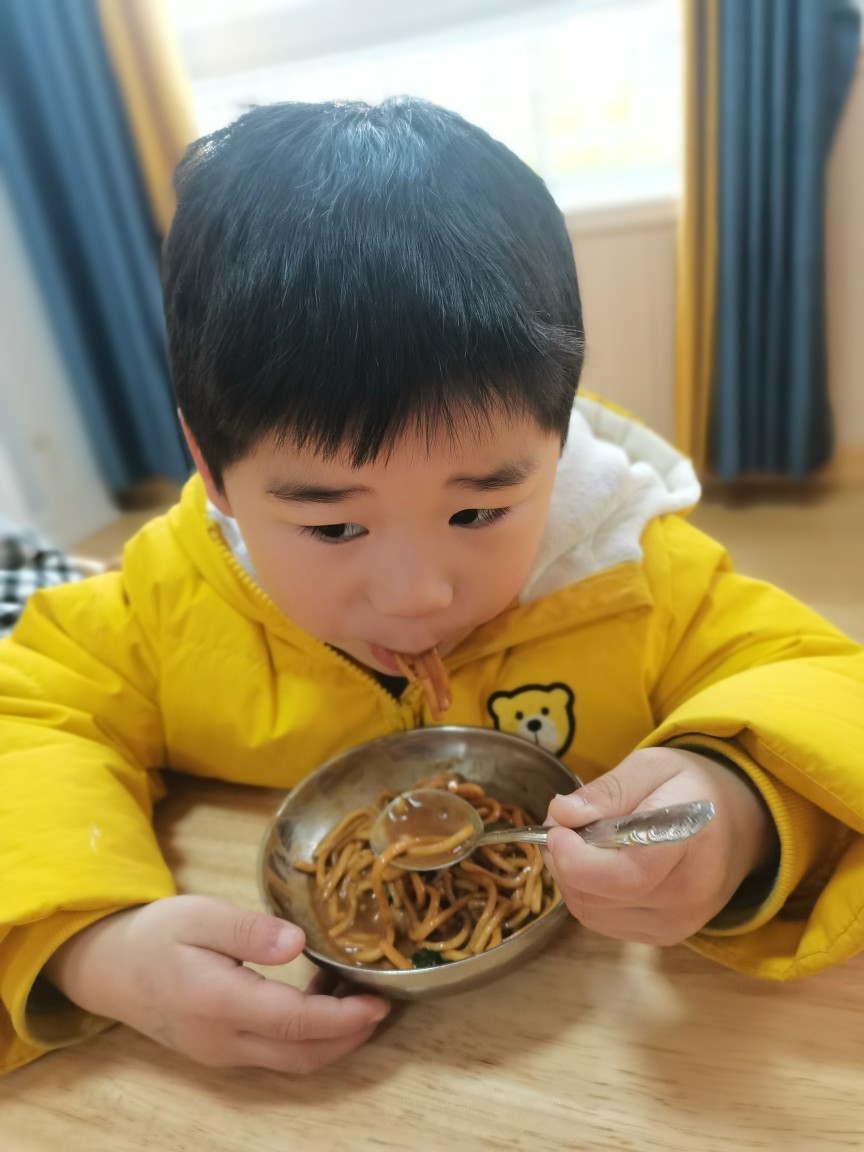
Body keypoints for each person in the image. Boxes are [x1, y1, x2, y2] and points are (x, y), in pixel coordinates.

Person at [1, 97, 863, 1080]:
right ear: (212, 466)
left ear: (555, 440)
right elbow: (29, 714)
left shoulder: (631, 574)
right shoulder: (166, 602)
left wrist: (739, 806)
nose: (417, 595)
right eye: (333, 527)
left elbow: (822, 692)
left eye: (479, 511)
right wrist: (88, 943)